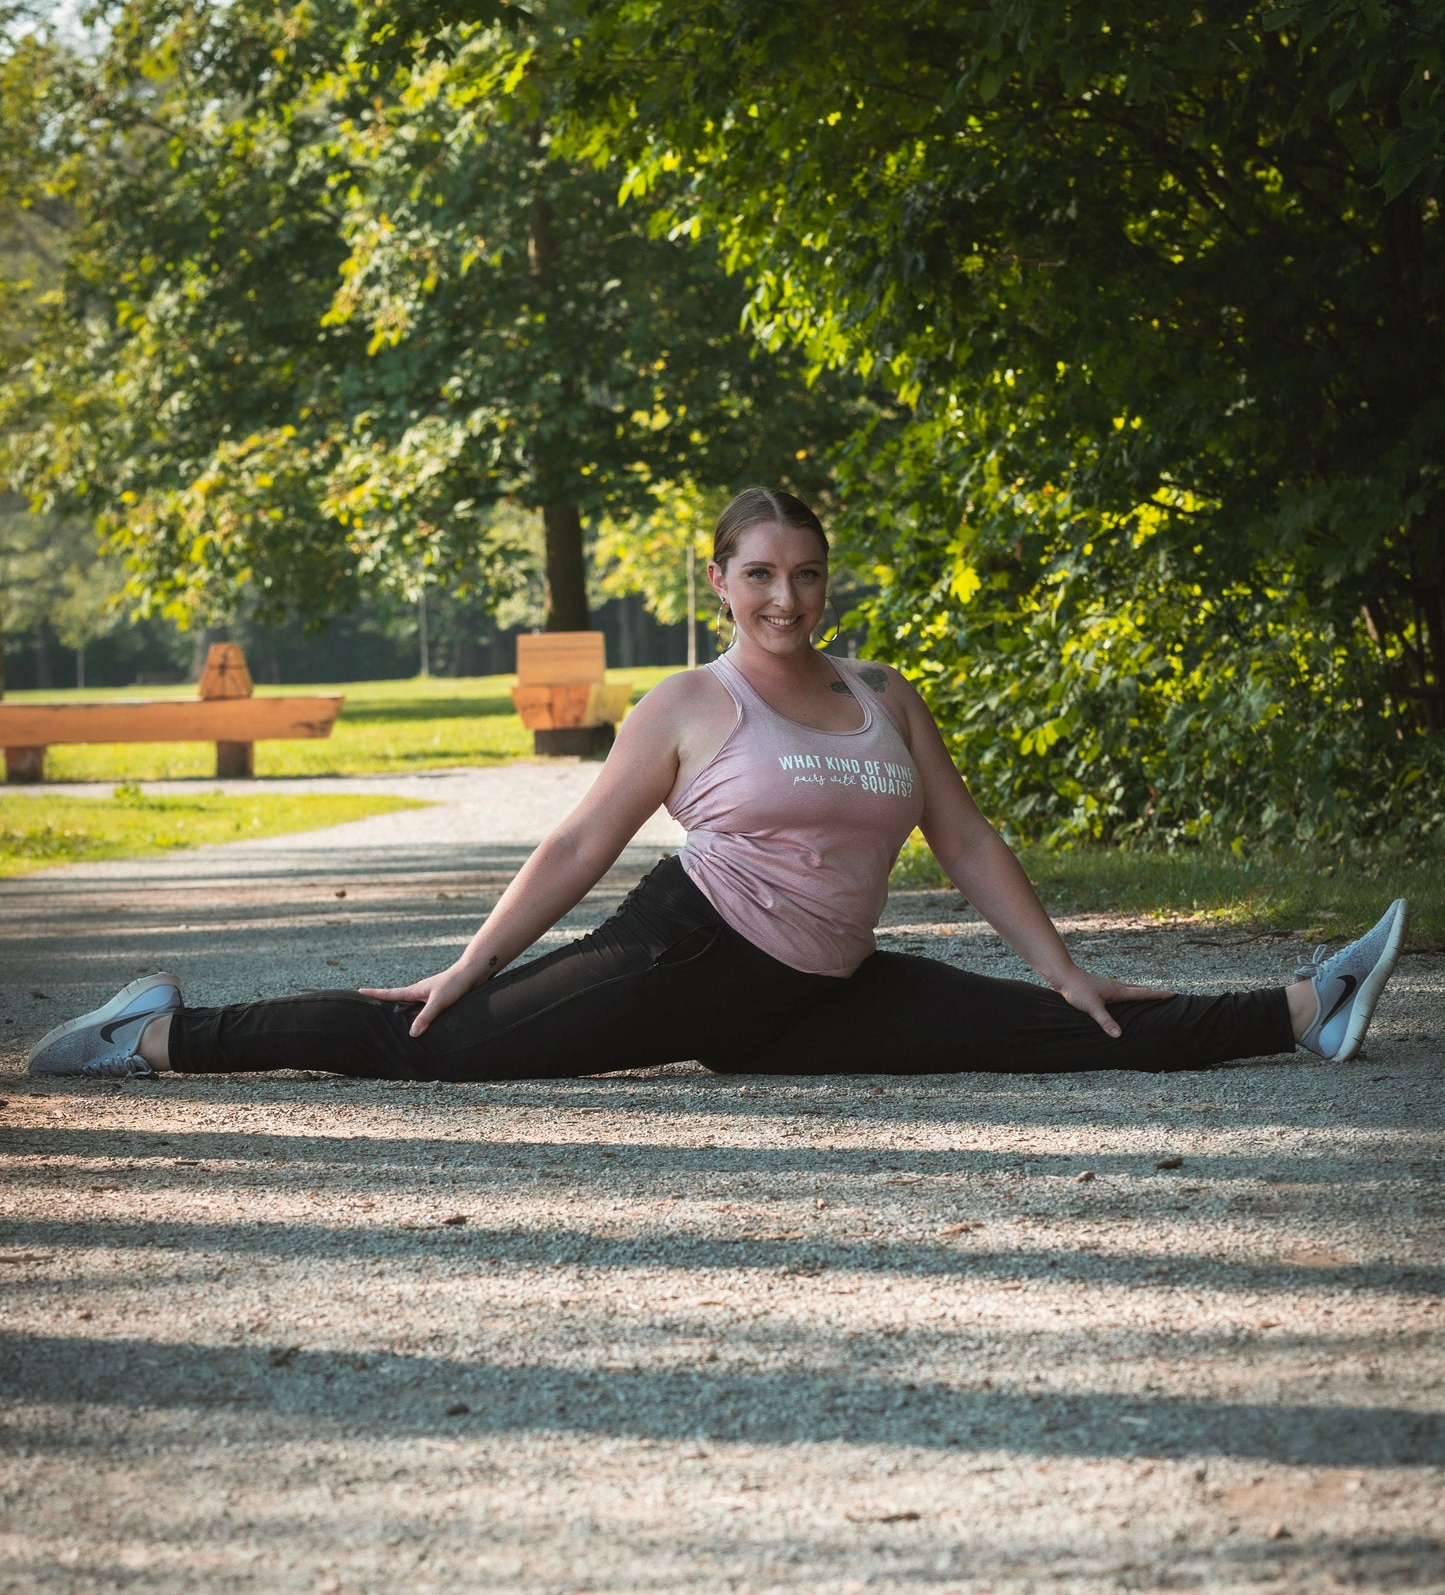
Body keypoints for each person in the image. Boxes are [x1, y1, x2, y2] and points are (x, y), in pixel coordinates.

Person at [28, 487, 1409, 1085]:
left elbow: (968, 843)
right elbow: (580, 842)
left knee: (1066, 1026)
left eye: (807, 572)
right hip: (689, 950)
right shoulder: (692, 701)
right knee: (428, 1042)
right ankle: (159, 1033)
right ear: (720, 582)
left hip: (811, 989)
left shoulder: (886, 697)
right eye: (760, 574)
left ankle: (1307, 1004)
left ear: (829, 578)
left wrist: (1056, 963)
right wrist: (466, 960)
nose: (787, 596)